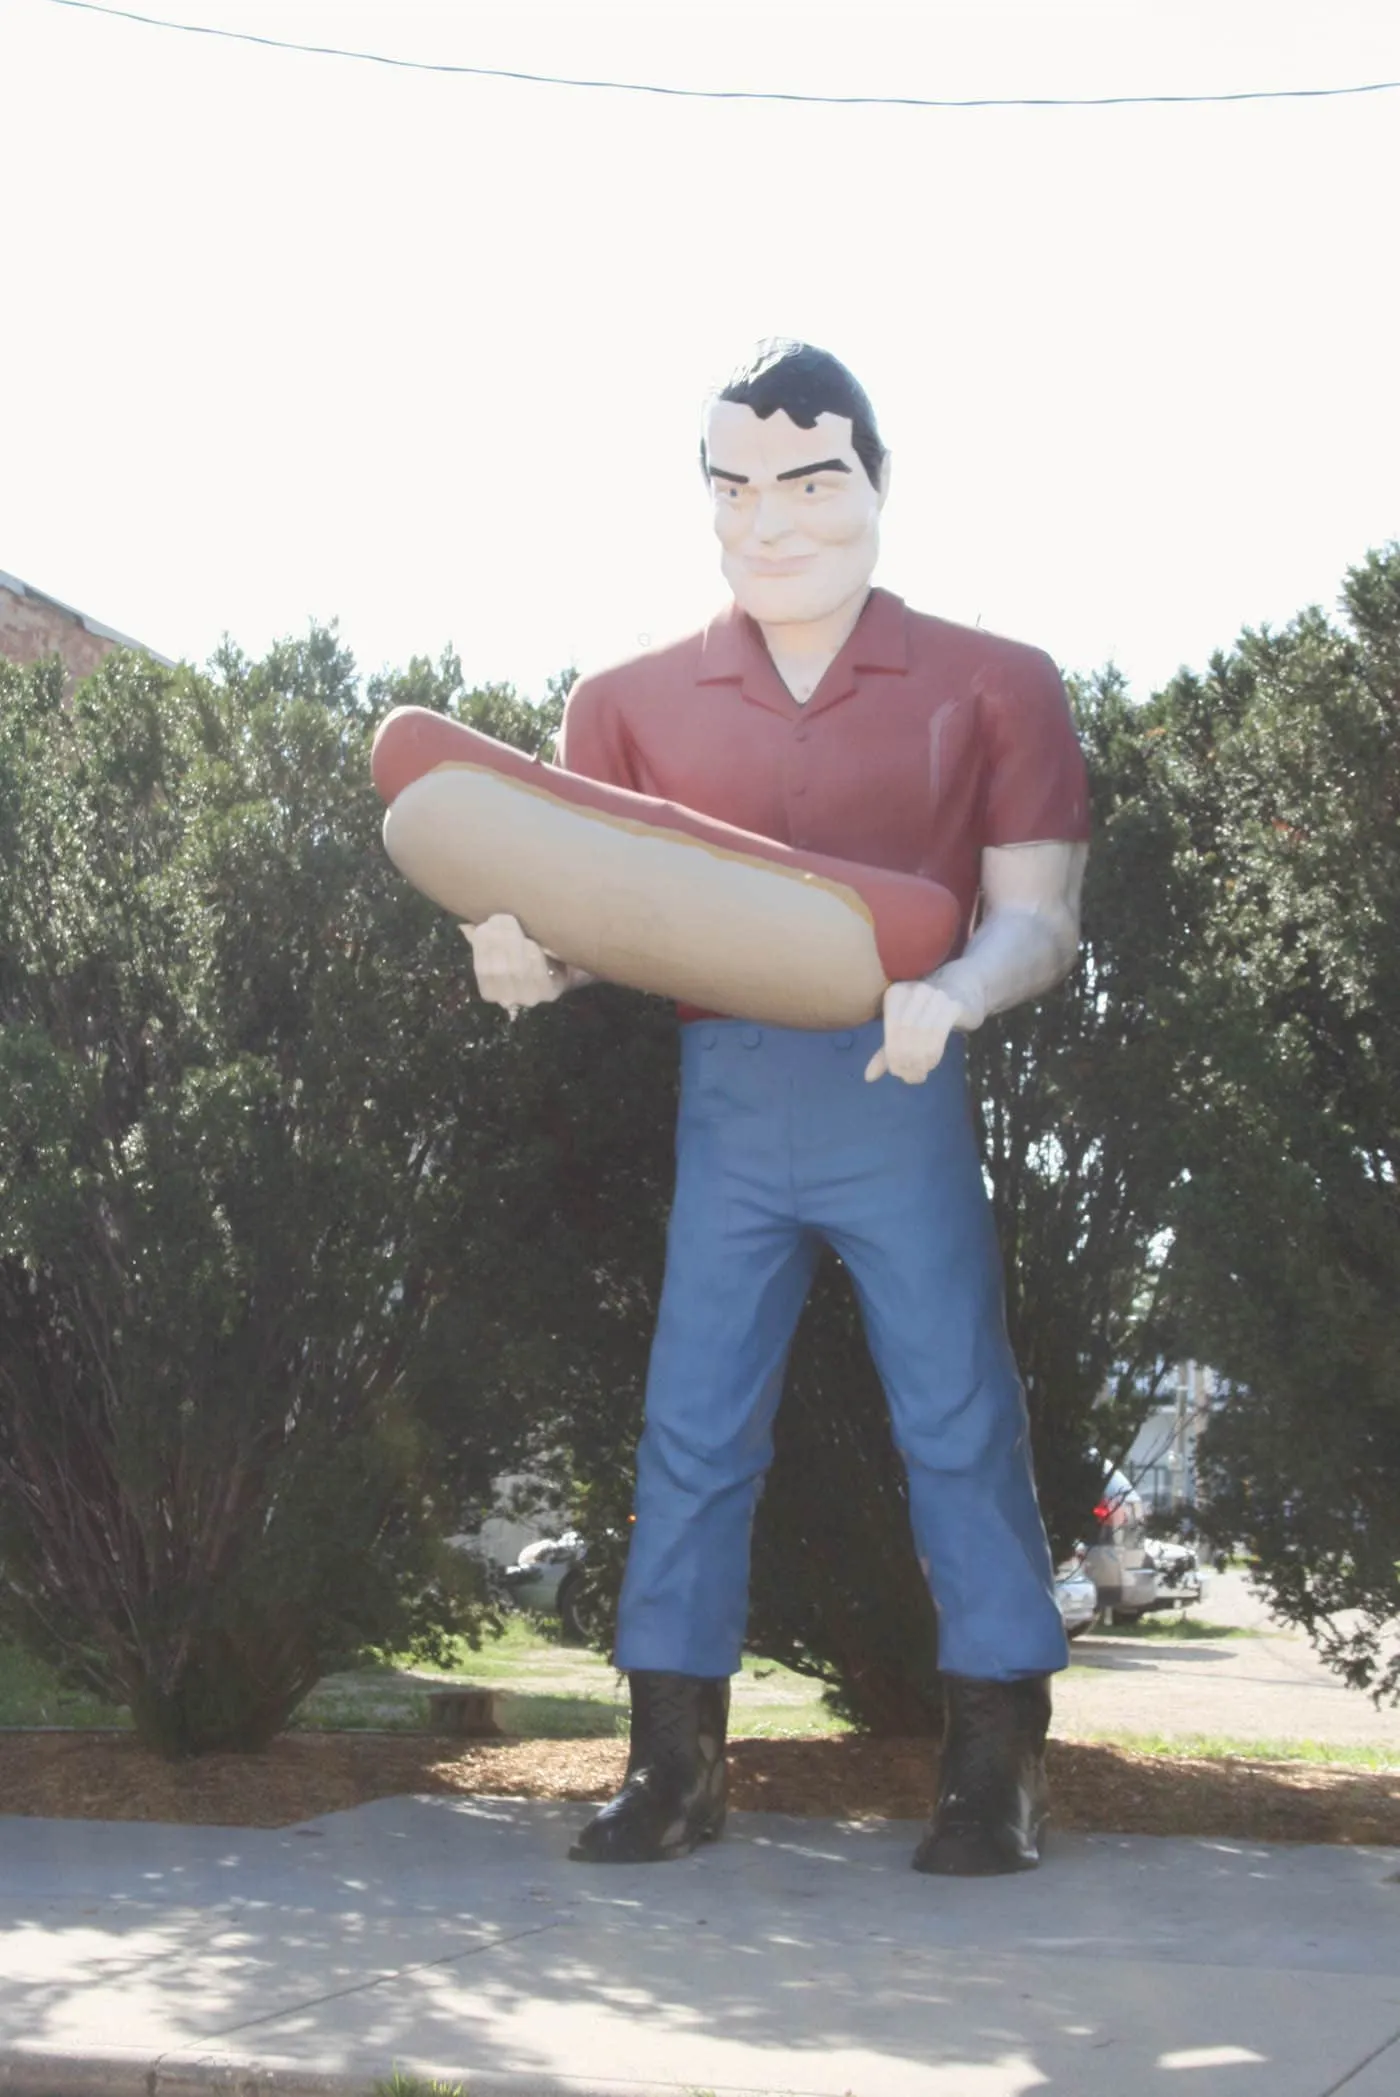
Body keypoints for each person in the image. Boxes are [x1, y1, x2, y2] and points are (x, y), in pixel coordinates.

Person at [466, 340, 1090, 1876]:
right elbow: (595, 921)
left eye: (809, 482)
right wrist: (522, 959)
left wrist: (957, 988)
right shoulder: (624, 702)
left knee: (957, 1412)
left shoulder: (994, 684)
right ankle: (670, 1765)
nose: (772, 520)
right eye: (734, 487)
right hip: (728, 1094)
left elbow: (1043, 916)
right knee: (691, 1424)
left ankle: (996, 1765)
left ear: (875, 483)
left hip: (901, 1080)